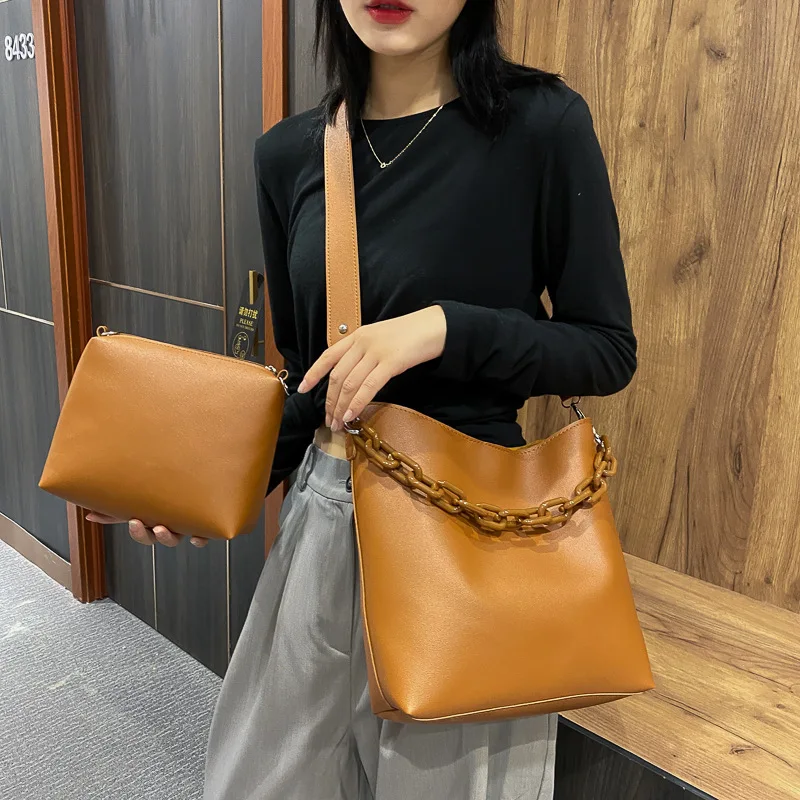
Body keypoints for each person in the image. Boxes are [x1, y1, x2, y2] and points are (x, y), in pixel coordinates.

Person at [89, 0, 637, 797]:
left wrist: (444, 328)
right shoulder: (289, 154)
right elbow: (310, 378)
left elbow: (605, 347)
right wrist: (196, 487)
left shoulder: (540, 127)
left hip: (471, 537)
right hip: (324, 525)